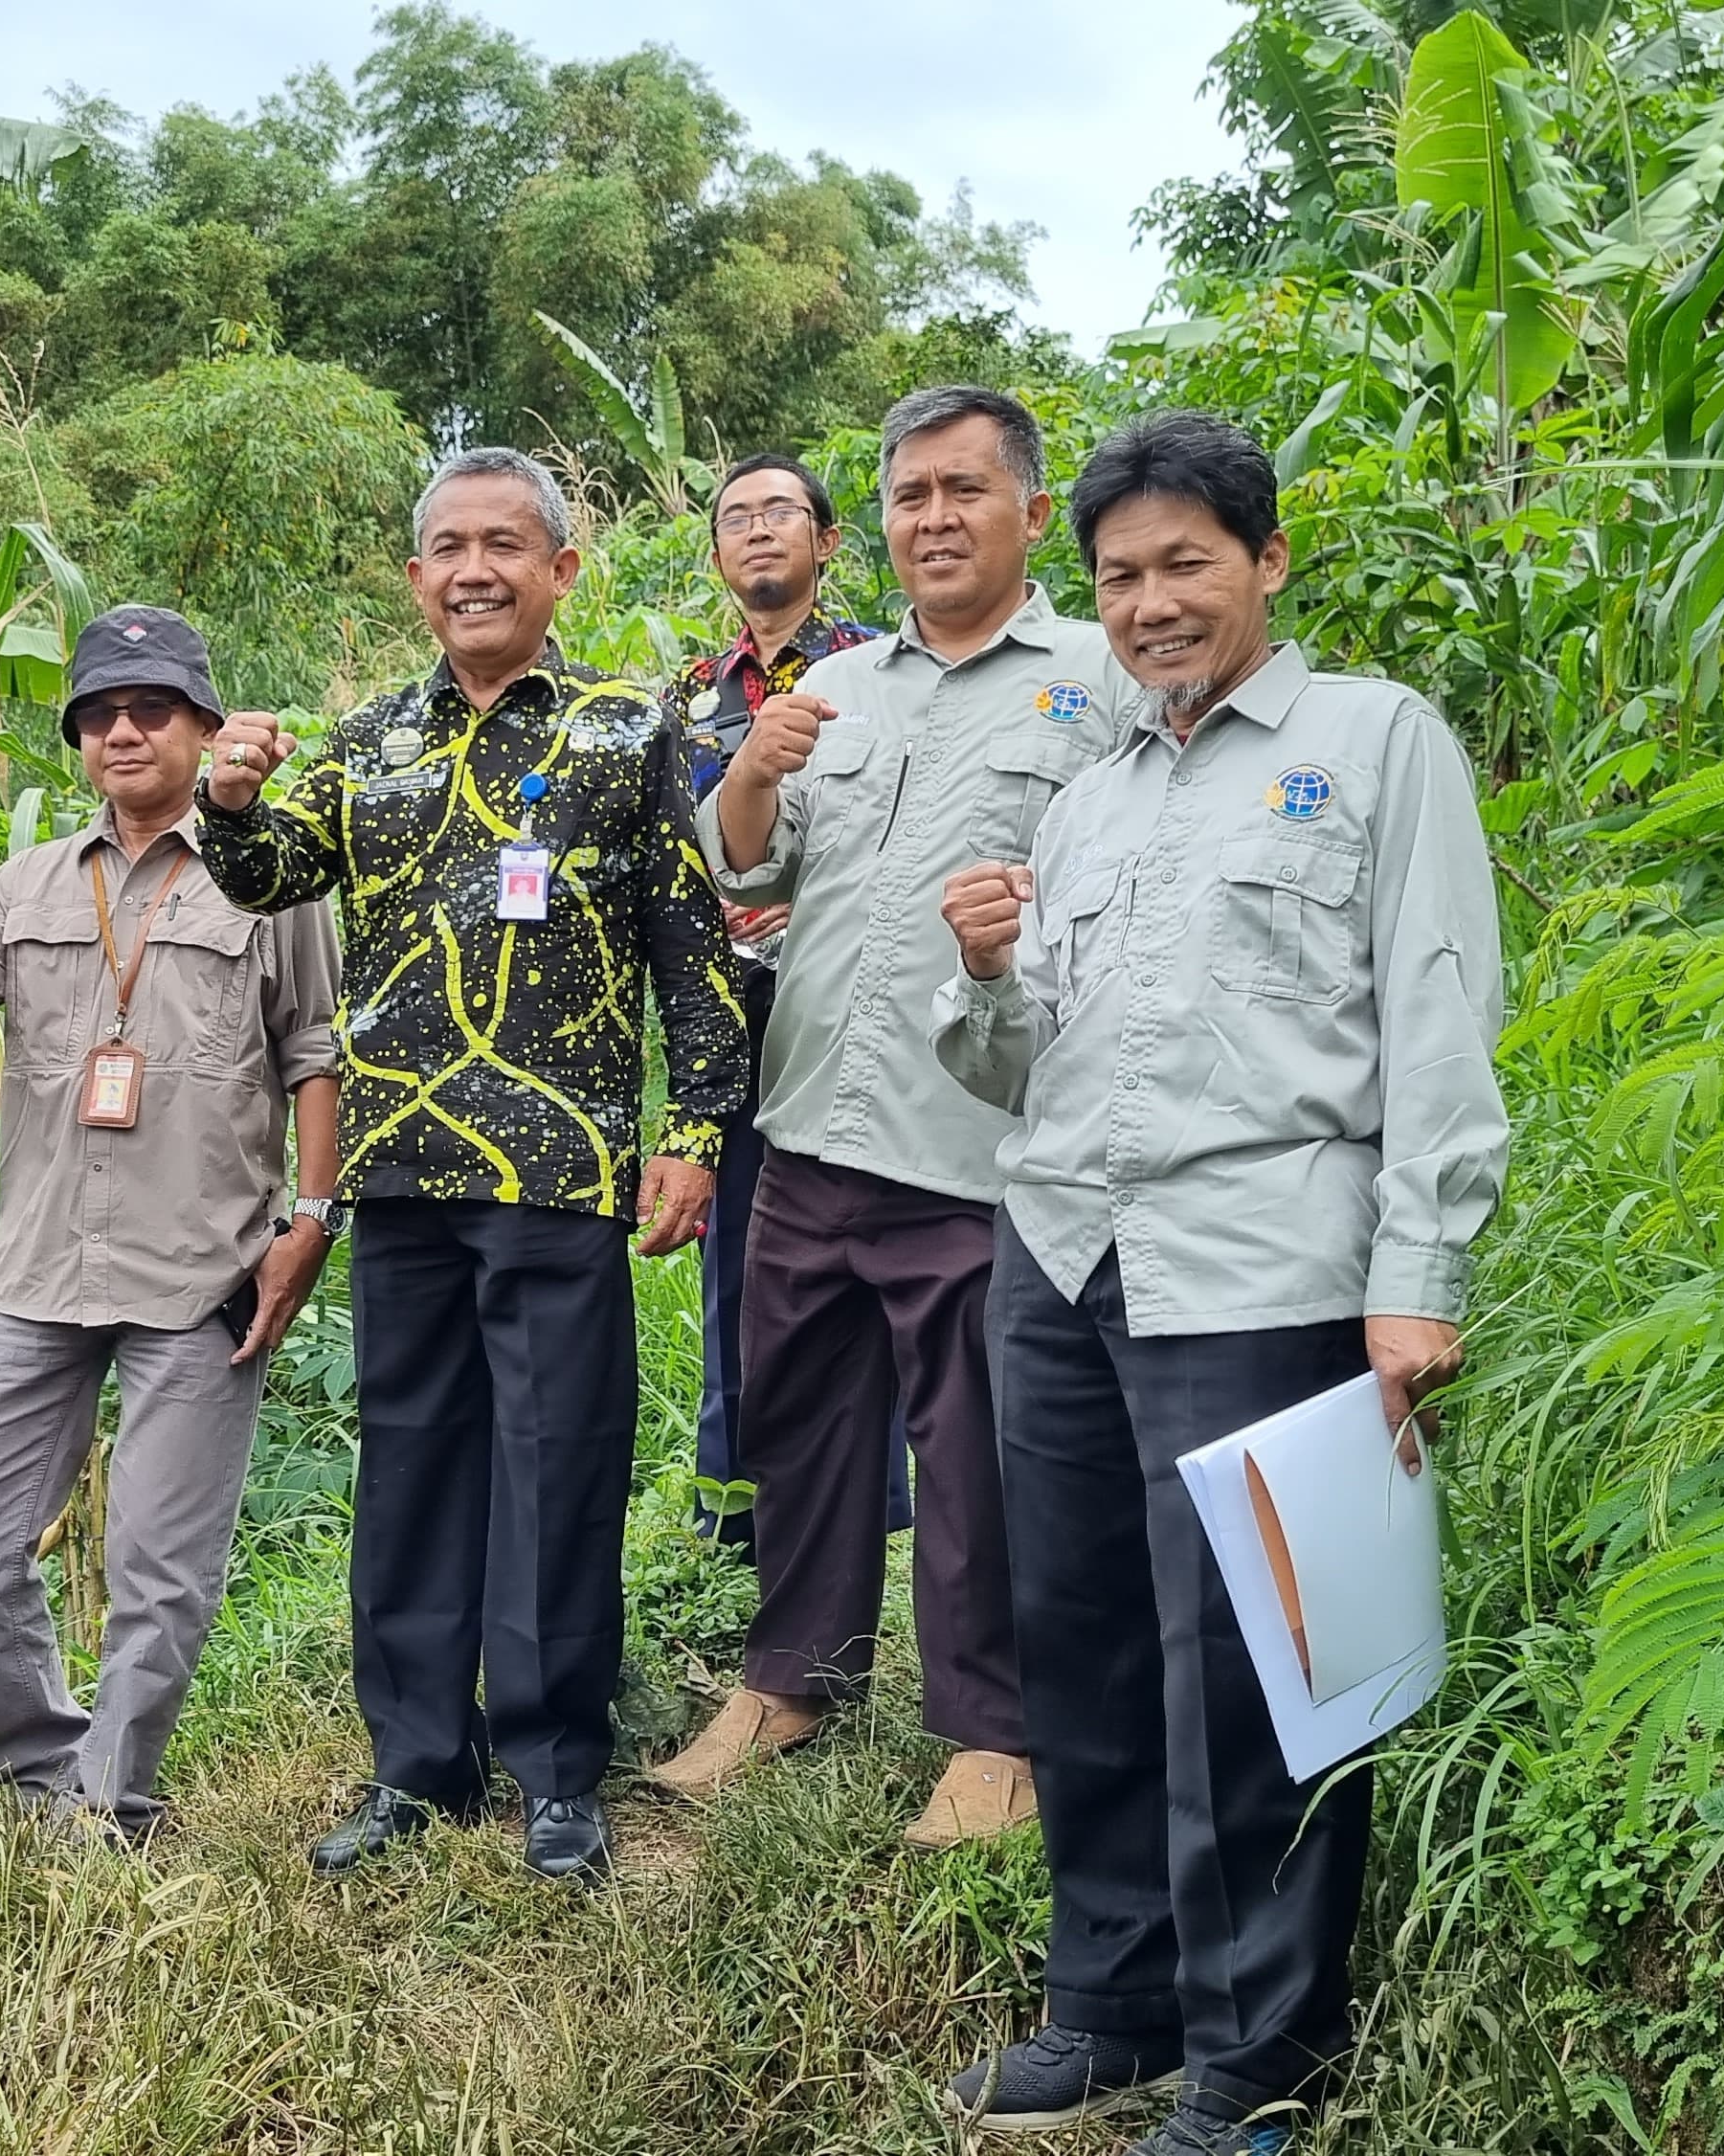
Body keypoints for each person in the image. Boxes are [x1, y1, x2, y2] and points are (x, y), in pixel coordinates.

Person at [929, 411, 1509, 2147]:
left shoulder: (1376, 740)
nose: (1153, 602)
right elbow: (1014, 1066)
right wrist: (987, 974)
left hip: (1261, 1266)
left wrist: (1420, 1270)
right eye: (1120, 576)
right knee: (1084, 1638)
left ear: (1265, 560)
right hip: (1061, 1257)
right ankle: (1112, 2003)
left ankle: (1263, 2049)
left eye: (1187, 562)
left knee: (1253, 1662)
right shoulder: (1093, 789)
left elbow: (1438, 1011)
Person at [194, 448, 751, 1884]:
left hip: (560, 1168)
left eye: (507, 543)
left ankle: (558, 1767)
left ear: (563, 573)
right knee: (418, 1468)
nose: (474, 569)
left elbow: (696, 957)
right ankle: (415, 1764)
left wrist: (691, 1135)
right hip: (401, 1173)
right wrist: (235, 802)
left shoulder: (630, 735)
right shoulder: (366, 738)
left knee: (559, 1468)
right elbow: (265, 878)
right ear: (416, 577)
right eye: (447, 545)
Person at [669, 387, 1125, 1849]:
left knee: (975, 1446)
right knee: (799, 1419)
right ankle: (790, 1682)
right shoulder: (843, 692)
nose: (934, 519)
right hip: (808, 1122)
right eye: (911, 495)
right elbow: (748, 881)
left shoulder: (1100, 684)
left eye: (965, 491)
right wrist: (747, 772)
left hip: (979, 1146)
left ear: (1032, 515)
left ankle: (993, 1732)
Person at [0, 603, 344, 1843]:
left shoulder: (265, 871)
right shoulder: (32, 880)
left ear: (202, 724)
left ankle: (113, 1801)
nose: (122, 731)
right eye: (99, 715)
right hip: (40, 1266)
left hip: (202, 1272)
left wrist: (312, 1217)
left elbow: (315, 1052)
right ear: (79, 739)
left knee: (158, 1566)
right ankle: (42, 1769)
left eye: (151, 710)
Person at [657, 453, 901, 1555]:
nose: (758, 532)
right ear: (715, 553)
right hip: (727, 1015)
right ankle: (732, 1516)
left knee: (886, 1253)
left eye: (781, 514)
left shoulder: (880, 672)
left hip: (859, 1002)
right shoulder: (686, 700)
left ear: (828, 541)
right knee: (740, 1264)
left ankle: (885, 1509)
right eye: (735, 519)